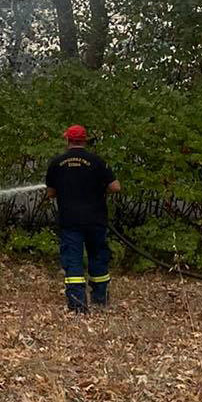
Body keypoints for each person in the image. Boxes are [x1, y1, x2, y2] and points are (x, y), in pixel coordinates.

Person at [44, 124, 122, 313]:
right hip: (96, 220)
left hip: (70, 221)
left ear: (68, 140)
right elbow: (116, 187)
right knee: (98, 257)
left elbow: (51, 193)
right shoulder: (96, 161)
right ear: (84, 140)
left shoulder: (57, 163)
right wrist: (98, 188)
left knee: (73, 261)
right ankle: (100, 300)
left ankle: (77, 305)